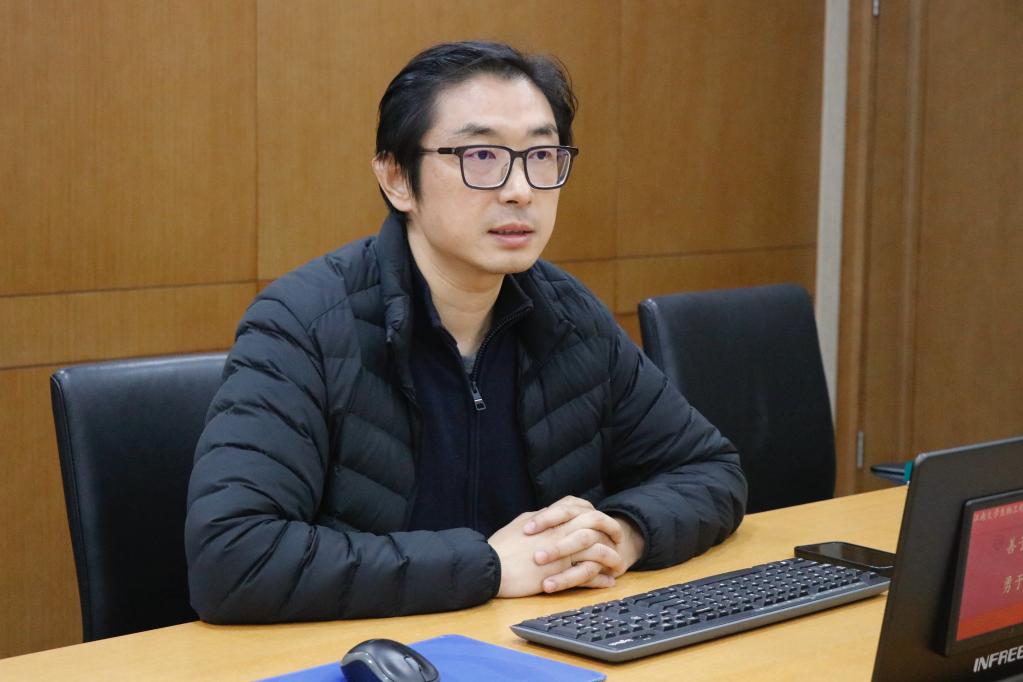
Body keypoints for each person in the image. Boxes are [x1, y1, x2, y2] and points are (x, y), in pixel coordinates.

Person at [185, 40, 747, 624]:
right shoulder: (302, 324)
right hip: (370, 651)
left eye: (541, 155)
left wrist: (621, 535)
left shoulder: (570, 316)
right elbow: (233, 558)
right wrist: (489, 567)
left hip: (542, 641)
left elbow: (709, 468)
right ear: (397, 179)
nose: (520, 189)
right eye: (481, 155)